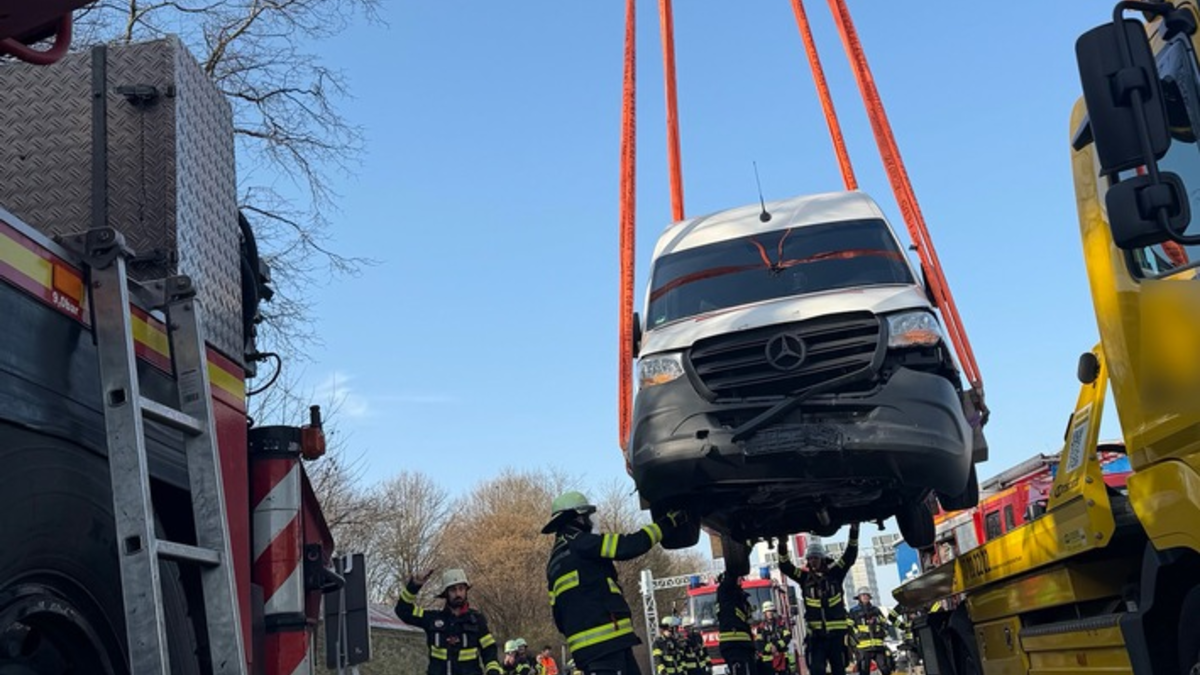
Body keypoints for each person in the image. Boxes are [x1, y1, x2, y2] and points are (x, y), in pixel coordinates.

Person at [543, 491, 689, 675]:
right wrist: (668, 523)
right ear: (577, 517)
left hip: (588, 651)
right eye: (587, 516)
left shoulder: (553, 563)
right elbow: (630, 545)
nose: (590, 520)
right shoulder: (582, 543)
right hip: (607, 643)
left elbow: (558, 616)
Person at [777, 525, 860, 675]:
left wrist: (854, 531)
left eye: (815, 558)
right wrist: (782, 545)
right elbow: (786, 566)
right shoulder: (804, 578)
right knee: (816, 670)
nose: (813, 561)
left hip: (836, 636)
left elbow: (849, 555)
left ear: (822, 558)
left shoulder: (835, 573)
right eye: (810, 558)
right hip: (817, 636)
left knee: (839, 670)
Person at [395, 568, 503, 675]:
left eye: (461, 589)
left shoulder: (477, 620)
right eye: (453, 590)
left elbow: (489, 649)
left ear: (466, 590)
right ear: (446, 593)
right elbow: (403, 610)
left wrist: (492, 669)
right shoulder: (432, 619)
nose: (458, 594)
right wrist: (414, 585)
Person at [848, 589, 904, 675]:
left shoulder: (876, 610)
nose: (865, 597)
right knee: (864, 670)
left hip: (878, 646)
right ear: (859, 597)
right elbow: (850, 627)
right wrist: (857, 636)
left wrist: (883, 632)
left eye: (867, 595)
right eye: (863, 595)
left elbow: (884, 624)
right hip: (863, 647)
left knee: (885, 668)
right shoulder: (853, 611)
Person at [716, 573, 755, 675]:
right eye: (738, 578)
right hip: (733, 643)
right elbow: (730, 579)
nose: (740, 580)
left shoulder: (741, 597)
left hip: (745, 644)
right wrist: (736, 563)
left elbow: (747, 622)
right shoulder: (725, 593)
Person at [758, 602, 791, 674]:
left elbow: (787, 637)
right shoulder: (760, 628)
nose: (770, 613)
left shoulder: (781, 624)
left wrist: (777, 645)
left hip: (781, 658)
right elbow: (759, 643)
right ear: (765, 613)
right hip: (767, 661)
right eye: (768, 611)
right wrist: (770, 648)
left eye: (771, 611)